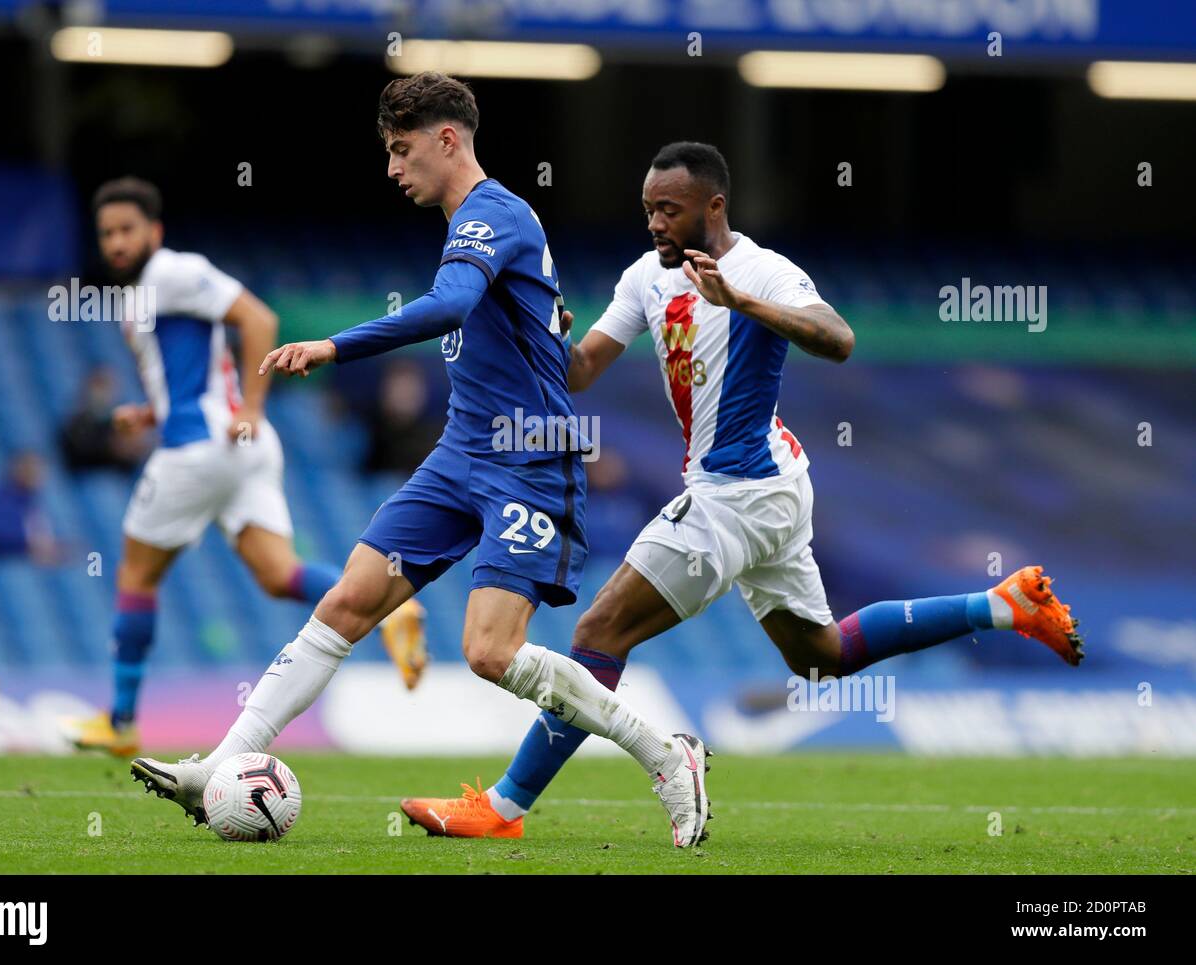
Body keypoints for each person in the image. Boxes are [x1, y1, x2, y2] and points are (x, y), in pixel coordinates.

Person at [399, 141, 1082, 840]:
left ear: (714, 206)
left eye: (669, 209)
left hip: (740, 491)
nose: (656, 224)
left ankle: (506, 807)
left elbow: (838, 338)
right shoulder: (645, 278)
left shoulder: (763, 270)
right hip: (771, 488)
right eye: (647, 211)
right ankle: (1001, 605)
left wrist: (743, 301)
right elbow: (578, 371)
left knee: (600, 631)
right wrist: (539, 332)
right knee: (822, 656)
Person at [129, 73, 712, 848]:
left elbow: (444, 307)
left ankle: (665, 754)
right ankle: (224, 763)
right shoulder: (483, 222)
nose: (393, 169)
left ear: (448, 140)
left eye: (402, 151)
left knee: (488, 651)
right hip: (461, 450)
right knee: (347, 601)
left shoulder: (492, 212)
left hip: (527, 456)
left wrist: (334, 346)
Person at [66, 177, 427, 759]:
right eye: (107, 233)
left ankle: (123, 721)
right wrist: (150, 412)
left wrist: (250, 408)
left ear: (154, 232)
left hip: (205, 445)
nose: (116, 242)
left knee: (136, 576)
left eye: (127, 229)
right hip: (236, 449)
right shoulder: (141, 301)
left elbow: (258, 318)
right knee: (277, 574)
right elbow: (188, 378)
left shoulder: (172, 271)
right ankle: (391, 607)